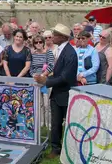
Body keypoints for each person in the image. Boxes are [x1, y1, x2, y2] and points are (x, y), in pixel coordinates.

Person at [34, 23, 78, 159]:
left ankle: (71, 149)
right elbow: (58, 73)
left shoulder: (70, 53)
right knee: (55, 123)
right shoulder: (61, 50)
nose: (52, 37)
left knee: (70, 124)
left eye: (55, 34)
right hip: (57, 93)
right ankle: (55, 148)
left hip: (66, 93)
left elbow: (65, 77)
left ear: (62, 37)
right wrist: (45, 77)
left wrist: (46, 82)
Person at [29, 35, 54, 129]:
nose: (38, 44)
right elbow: (31, 68)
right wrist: (34, 76)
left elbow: (51, 65)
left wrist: (43, 75)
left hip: (46, 80)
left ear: (43, 43)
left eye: (40, 42)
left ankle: (49, 123)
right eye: (36, 42)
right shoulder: (33, 54)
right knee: (39, 103)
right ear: (34, 44)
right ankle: (41, 122)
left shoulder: (48, 52)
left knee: (47, 103)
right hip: (36, 81)